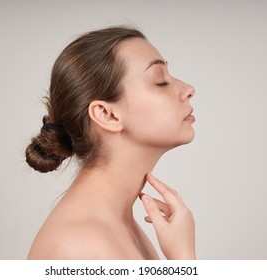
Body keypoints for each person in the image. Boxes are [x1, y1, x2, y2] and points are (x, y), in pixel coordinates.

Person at [25, 26, 196, 260]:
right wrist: (184, 261)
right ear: (107, 115)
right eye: (160, 81)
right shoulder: (82, 245)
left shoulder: (117, 227)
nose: (188, 89)